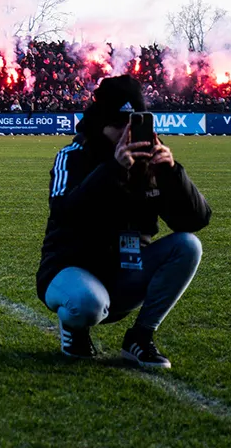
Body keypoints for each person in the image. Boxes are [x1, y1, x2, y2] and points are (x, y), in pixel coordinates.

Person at [37, 75, 212, 368]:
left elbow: (196, 219)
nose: (126, 133)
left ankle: (141, 337)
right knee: (87, 304)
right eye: (119, 125)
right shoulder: (73, 156)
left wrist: (172, 173)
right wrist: (114, 169)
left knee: (188, 245)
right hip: (72, 267)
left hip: (127, 271)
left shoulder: (153, 162)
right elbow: (64, 213)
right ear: (101, 124)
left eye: (135, 123)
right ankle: (75, 327)